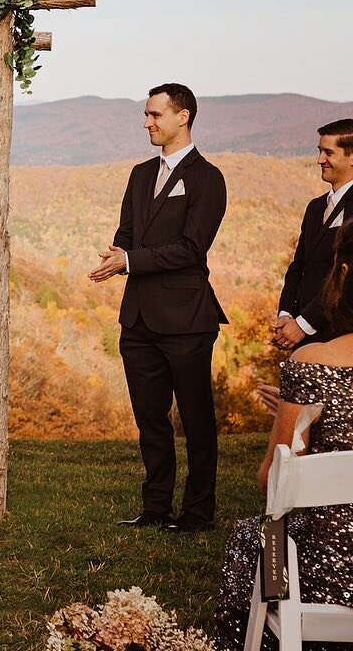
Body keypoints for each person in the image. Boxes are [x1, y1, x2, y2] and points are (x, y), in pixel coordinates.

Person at [89, 83, 227, 533]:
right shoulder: (139, 174)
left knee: (196, 419)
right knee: (150, 417)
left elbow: (191, 248)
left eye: (155, 115)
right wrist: (117, 255)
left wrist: (130, 261)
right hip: (139, 317)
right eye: (146, 116)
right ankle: (155, 508)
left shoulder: (208, 178)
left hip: (187, 319)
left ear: (182, 117)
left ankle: (199, 512)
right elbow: (128, 231)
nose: (147, 123)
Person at [212, 222, 353, 650]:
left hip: (328, 575)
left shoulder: (312, 364)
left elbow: (273, 482)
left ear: (343, 275)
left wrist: (293, 420)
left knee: (250, 536)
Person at [273, 119, 353, 351]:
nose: (320, 160)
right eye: (319, 151)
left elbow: (346, 278)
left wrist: (304, 324)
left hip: (338, 334)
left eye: (329, 152)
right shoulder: (315, 207)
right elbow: (299, 265)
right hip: (304, 333)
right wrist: (287, 314)